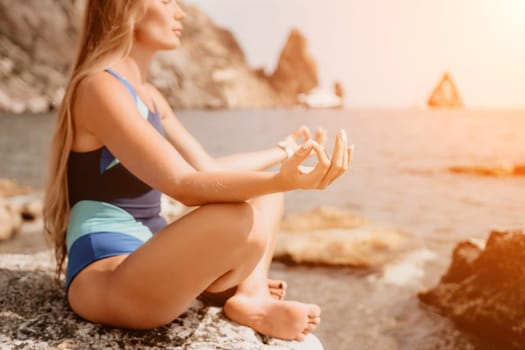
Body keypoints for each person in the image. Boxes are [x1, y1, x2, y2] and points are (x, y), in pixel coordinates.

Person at [44, 0, 353, 342]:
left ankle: (251, 297)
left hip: (150, 260)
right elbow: (184, 185)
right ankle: (249, 292)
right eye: (166, 1)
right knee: (237, 216)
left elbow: (206, 170)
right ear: (125, 8)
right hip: (109, 280)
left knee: (266, 197)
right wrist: (283, 178)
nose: (180, 12)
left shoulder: (150, 97)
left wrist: (282, 155)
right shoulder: (98, 87)